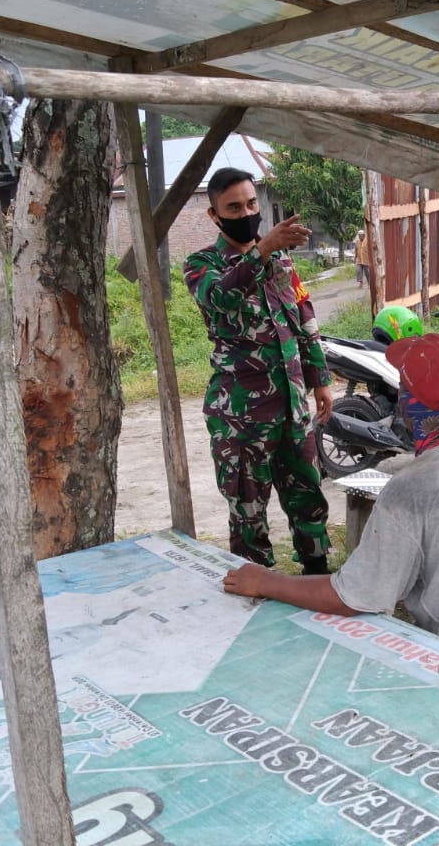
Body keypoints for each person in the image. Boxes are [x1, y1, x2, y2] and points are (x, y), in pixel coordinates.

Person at [223, 334, 439, 687]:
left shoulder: (413, 487)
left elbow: (353, 596)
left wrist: (266, 581)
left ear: (410, 404)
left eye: (403, 390)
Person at [184, 167, 333, 574]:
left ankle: (317, 571)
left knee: (307, 492)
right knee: (248, 507)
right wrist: (262, 249)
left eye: (252, 203)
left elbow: (302, 313)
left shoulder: (281, 257)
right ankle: (256, 585)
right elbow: (222, 297)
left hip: (291, 405)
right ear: (215, 215)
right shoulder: (201, 264)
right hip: (241, 416)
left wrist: (319, 380)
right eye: (234, 207)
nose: (247, 212)